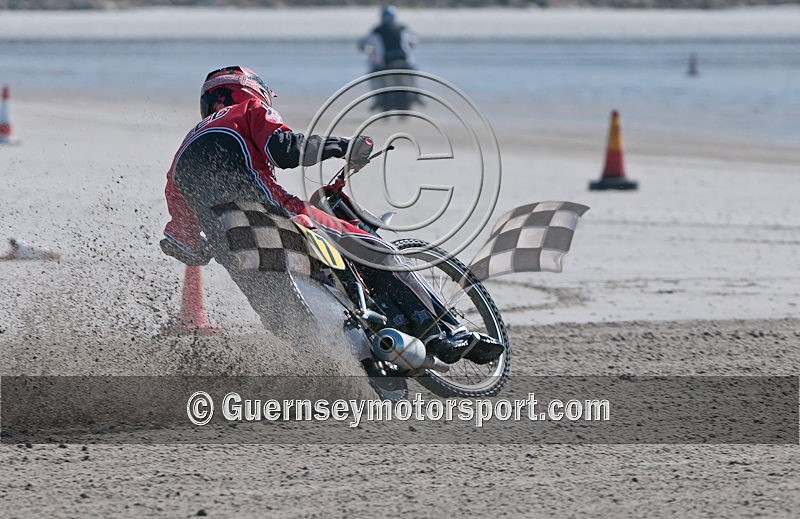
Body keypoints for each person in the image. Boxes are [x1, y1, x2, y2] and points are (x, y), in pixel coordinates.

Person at [160, 65, 503, 369]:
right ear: (249, 92)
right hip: (280, 218)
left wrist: (202, 247)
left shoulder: (178, 162)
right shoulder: (248, 110)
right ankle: (444, 329)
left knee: (289, 326)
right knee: (371, 248)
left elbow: (182, 243)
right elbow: (286, 148)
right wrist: (345, 146)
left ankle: (340, 372)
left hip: (238, 256)